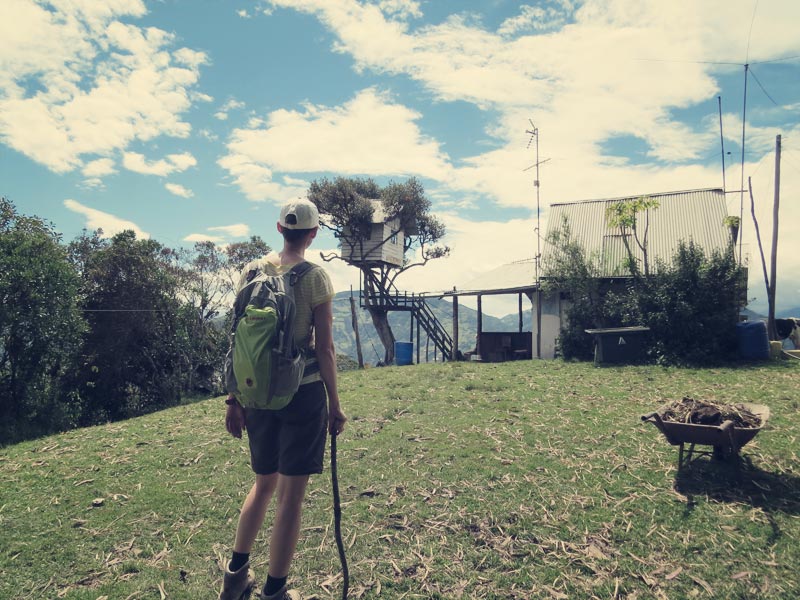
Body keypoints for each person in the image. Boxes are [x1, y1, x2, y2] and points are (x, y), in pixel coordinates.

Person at [219, 199, 347, 600]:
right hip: (302, 392)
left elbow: (240, 339)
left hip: (257, 392)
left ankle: (235, 576)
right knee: (291, 496)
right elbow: (324, 348)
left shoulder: (251, 271)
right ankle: (275, 591)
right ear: (313, 234)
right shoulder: (315, 277)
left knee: (263, 484)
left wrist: (234, 398)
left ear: (279, 229)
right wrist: (336, 405)